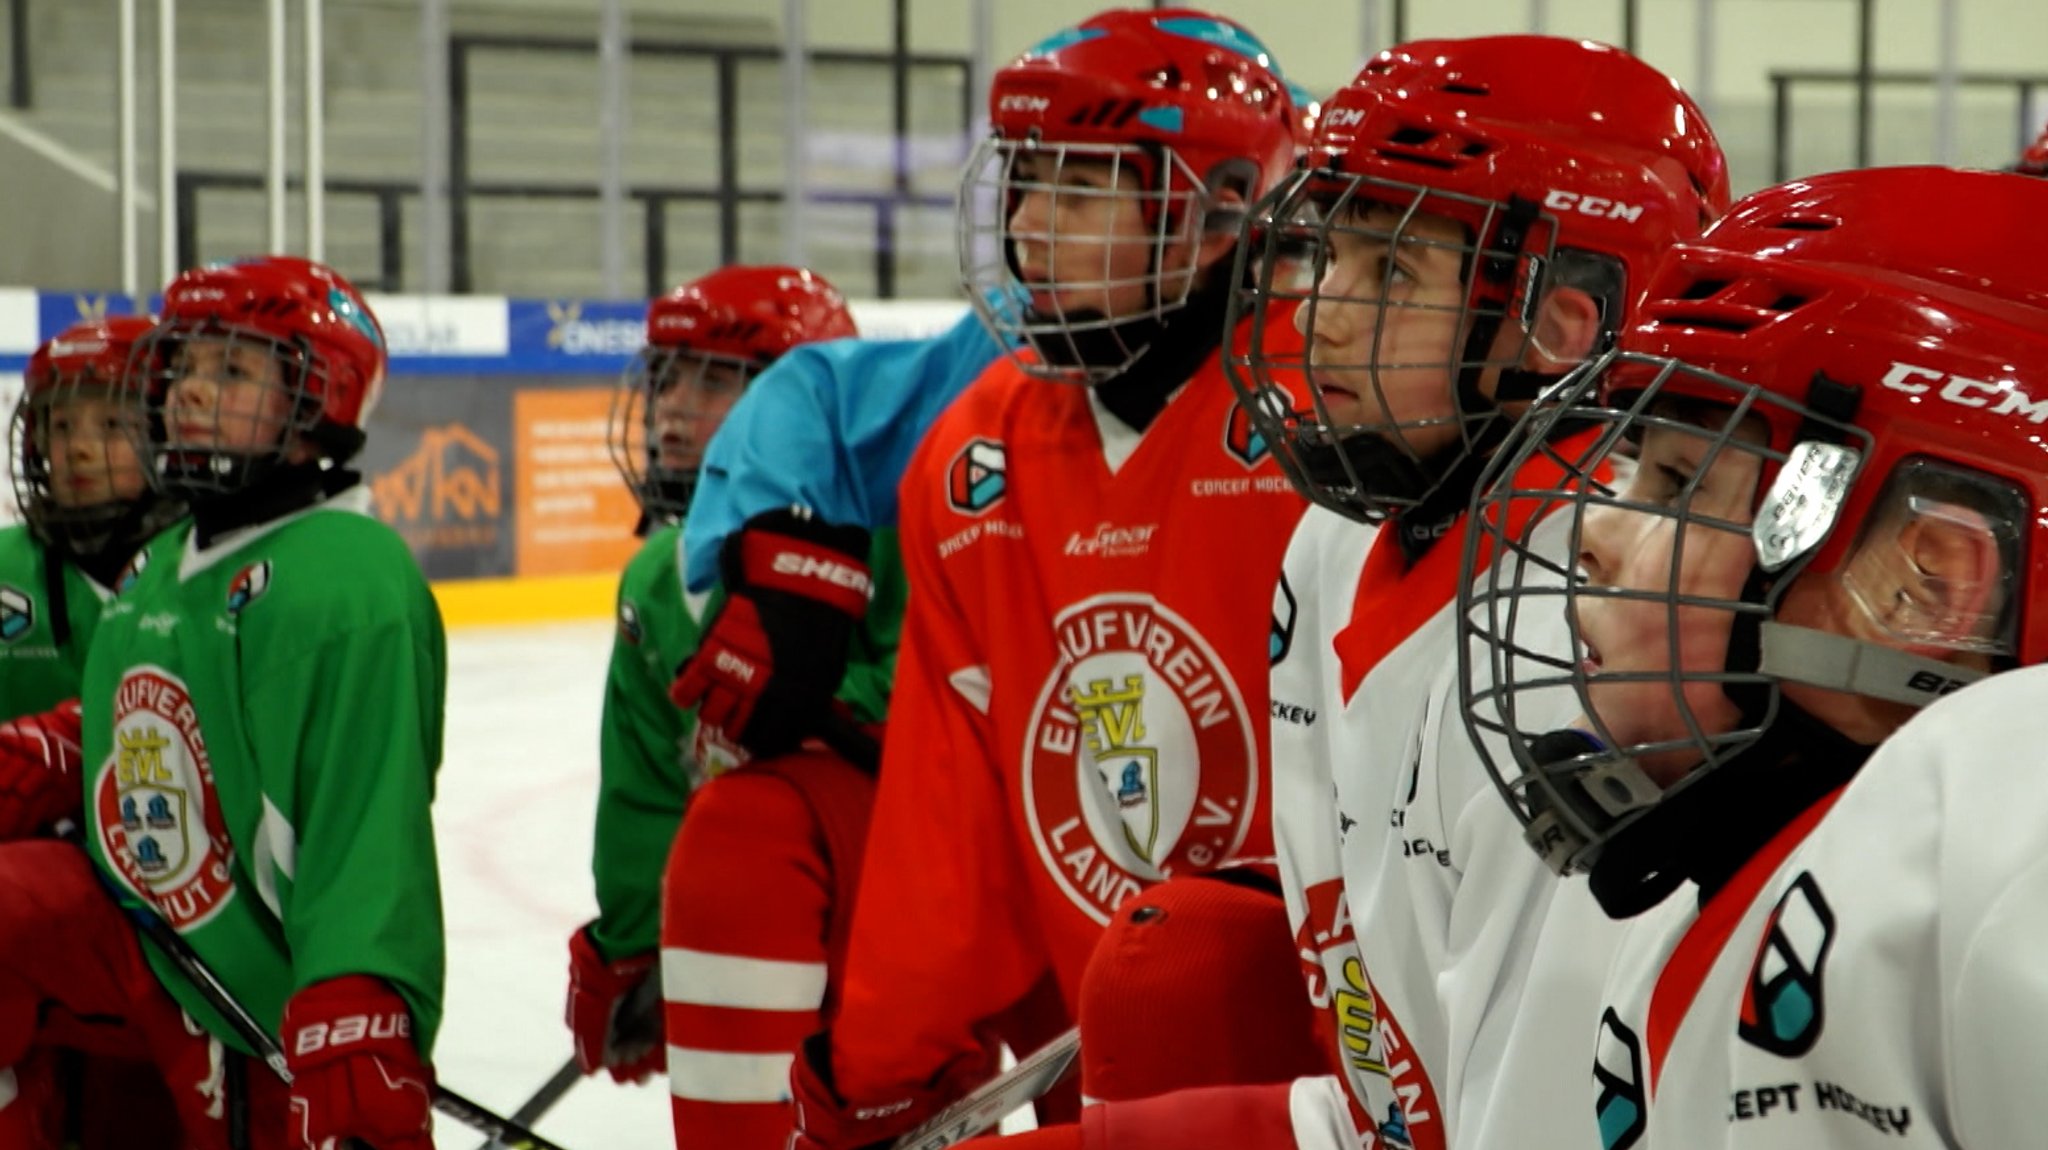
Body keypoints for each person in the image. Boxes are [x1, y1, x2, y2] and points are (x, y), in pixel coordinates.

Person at [1001, 35, 1732, 1150]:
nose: (1315, 315)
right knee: (1182, 955)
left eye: (1388, 272)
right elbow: (1387, 1082)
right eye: (1325, 254)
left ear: (1561, 325)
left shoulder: (1582, 642)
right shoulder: (1334, 542)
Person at [783, 10, 1329, 1148]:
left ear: (1220, 206)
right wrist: (884, 1063)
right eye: (1024, 185)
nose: (1028, 228)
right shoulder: (971, 457)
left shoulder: (1332, 422)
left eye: (1079, 191)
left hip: (1333, 1080)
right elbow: (951, 814)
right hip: (1095, 1080)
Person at [1456, 164, 2048, 1148]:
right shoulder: (1715, 846)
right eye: (1625, 461)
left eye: (1680, 477)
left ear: (1929, 586)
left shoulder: (2005, 863)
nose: (1590, 531)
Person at [0, 256, 445, 1150]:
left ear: (321, 397)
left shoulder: (341, 574)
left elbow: (364, 817)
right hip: (152, 941)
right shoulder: (171, 563)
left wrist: (359, 992)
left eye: (232, 371)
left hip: (262, 991)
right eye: (187, 367)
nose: (192, 392)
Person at [563, 265, 905, 1150]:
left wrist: (814, 698)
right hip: (750, 903)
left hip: (895, 918)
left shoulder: (890, 525)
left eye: (713, 378)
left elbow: (939, 690)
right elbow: (643, 783)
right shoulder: (654, 576)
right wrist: (634, 942)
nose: (673, 406)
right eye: (668, 376)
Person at [0, 317, 185, 1145]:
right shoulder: (6, 569)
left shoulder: (205, 569)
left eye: (110, 424)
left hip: (177, 937)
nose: (77, 449)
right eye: (59, 424)